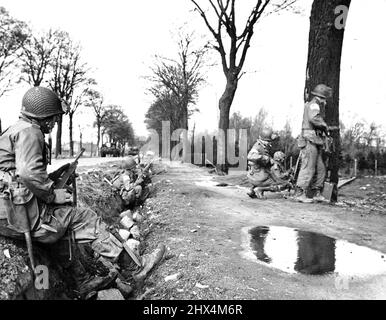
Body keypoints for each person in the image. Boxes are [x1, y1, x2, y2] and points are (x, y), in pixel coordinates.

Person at [0, 87, 163, 298]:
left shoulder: (15, 129)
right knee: (85, 218)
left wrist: (57, 175)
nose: (55, 122)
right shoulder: (31, 131)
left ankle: (81, 282)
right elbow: (27, 173)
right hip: (18, 215)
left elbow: (18, 174)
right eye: (53, 118)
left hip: (8, 215)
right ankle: (137, 268)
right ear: (44, 115)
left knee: (64, 223)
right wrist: (52, 194)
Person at [294, 84, 332, 203]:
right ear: (321, 97)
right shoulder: (314, 105)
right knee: (308, 167)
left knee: (320, 168)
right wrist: (325, 126)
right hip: (310, 139)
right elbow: (314, 119)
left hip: (316, 140)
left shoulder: (313, 105)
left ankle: (317, 192)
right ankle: (299, 193)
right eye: (325, 99)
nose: (325, 102)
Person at [246, 127, 278, 199]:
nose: (270, 143)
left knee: (266, 173)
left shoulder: (263, 145)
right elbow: (250, 156)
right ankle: (259, 190)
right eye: (269, 141)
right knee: (276, 183)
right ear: (264, 140)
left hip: (254, 174)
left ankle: (252, 190)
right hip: (257, 175)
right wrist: (264, 158)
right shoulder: (257, 146)